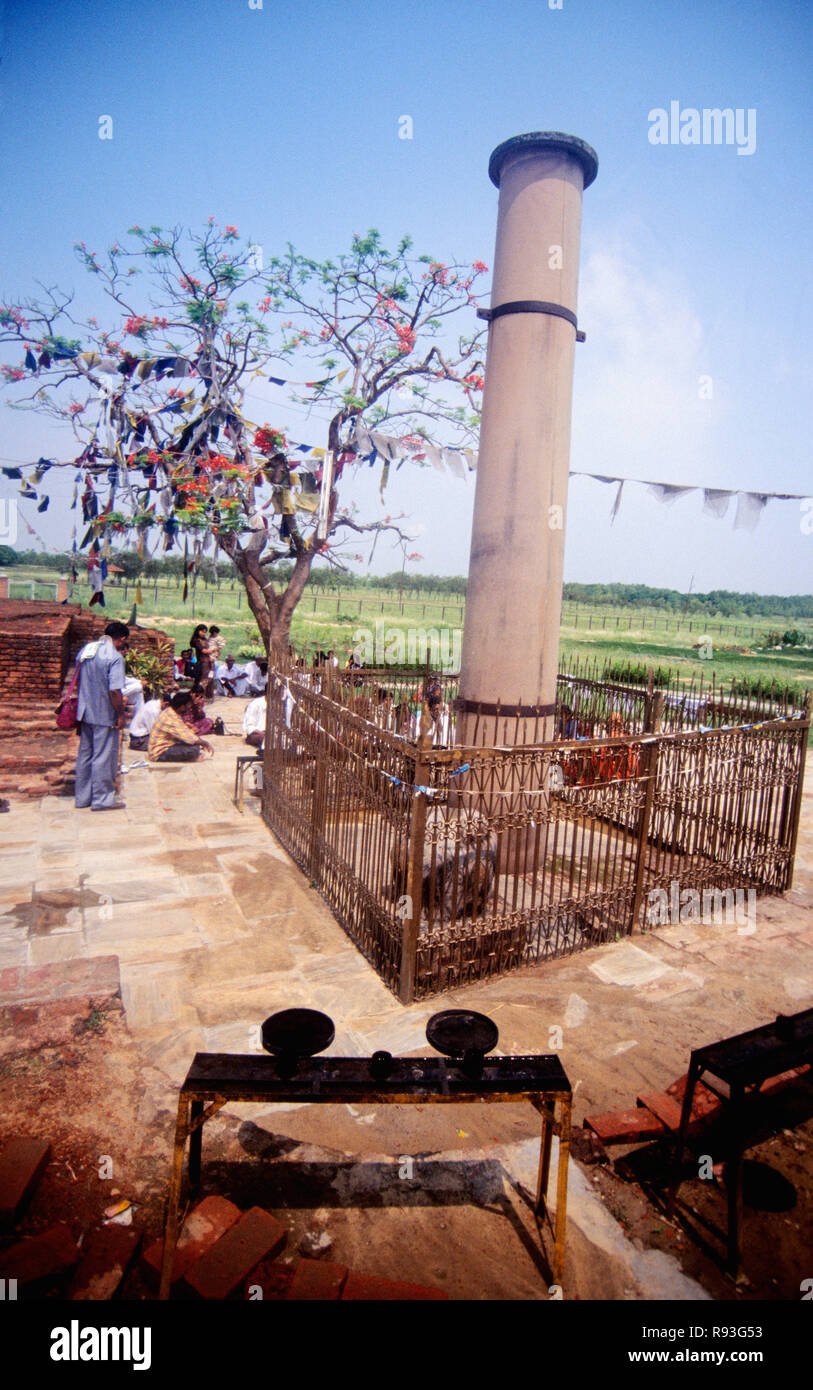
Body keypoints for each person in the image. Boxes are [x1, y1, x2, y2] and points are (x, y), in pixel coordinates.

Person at [74, 620, 130, 811]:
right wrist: (120, 715)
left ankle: (82, 798)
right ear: (121, 638)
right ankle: (102, 800)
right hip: (104, 714)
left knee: (85, 755)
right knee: (103, 757)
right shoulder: (114, 657)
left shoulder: (87, 650)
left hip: (85, 711)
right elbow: (115, 691)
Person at [148, 691, 214, 762]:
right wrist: (205, 743)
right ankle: (192, 758)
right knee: (194, 749)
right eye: (188, 705)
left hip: (166, 745)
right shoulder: (171, 718)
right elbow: (188, 737)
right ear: (182, 707)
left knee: (194, 744)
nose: (189, 708)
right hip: (159, 752)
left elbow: (185, 732)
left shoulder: (170, 711)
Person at [190, 624, 212, 697]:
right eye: (202, 632)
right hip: (202, 662)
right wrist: (213, 650)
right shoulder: (196, 640)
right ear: (198, 631)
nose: (203, 634)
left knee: (210, 678)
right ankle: (200, 695)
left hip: (209, 661)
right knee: (203, 679)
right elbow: (203, 651)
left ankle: (208, 695)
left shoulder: (205, 639)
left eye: (205, 632)